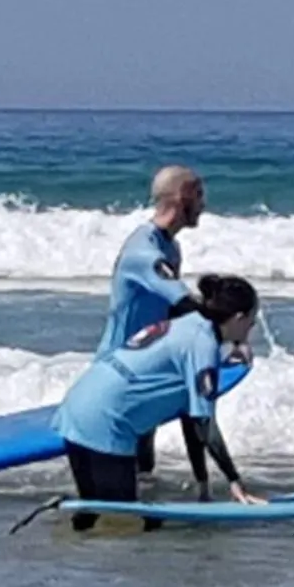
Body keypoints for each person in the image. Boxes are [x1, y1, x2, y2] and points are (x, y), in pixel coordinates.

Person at [54, 274, 264, 531]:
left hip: (79, 402)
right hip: (107, 421)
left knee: (94, 511)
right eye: (251, 322)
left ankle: (62, 544)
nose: (251, 328)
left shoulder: (188, 323)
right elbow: (203, 424)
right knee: (129, 521)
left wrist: (203, 484)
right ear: (239, 318)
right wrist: (234, 480)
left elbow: (191, 416)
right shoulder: (203, 347)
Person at [99, 165, 214, 478]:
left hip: (142, 366)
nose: (203, 204)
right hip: (117, 371)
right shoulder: (145, 252)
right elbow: (185, 303)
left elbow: (174, 312)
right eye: (199, 194)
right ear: (181, 196)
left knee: (143, 462)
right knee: (128, 464)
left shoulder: (170, 246)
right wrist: (229, 319)